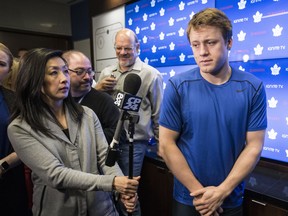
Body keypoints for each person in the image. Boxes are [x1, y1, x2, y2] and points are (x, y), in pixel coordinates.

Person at [158, 8, 267, 216]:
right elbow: (166, 144)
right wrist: (200, 195)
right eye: (195, 45)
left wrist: (222, 192)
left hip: (230, 198)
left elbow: (254, 146)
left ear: (229, 43)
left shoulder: (252, 87)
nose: (202, 52)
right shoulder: (177, 86)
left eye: (211, 42)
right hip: (189, 199)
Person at [7, 48, 139, 216]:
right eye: (54, 73)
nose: (64, 79)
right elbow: (55, 174)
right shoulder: (20, 128)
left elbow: (105, 158)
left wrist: (123, 191)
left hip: (101, 208)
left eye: (64, 71)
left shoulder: (87, 115)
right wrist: (113, 182)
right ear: (35, 80)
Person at [96, 28, 163, 215]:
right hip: (107, 141)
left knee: (128, 194)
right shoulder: (107, 72)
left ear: (137, 47)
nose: (123, 52)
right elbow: (95, 103)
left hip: (134, 144)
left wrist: (161, 143)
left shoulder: (151, 74)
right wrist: (99, 88)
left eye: (127, 48)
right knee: (110, 190)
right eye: (119, 48)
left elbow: (159, 112)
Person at [62, 50, 121, 145]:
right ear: (65, 72)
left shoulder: (103, 100)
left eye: (89, 71)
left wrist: (86, 139)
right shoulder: (58, 100)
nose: (87, 77)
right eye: (80, 72)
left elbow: (119, 134)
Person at [0, 43, 30, 216]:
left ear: (9, 70)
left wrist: (4, 165)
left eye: (1, 64)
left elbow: (28, 142)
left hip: (9, 178)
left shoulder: (15, 101)